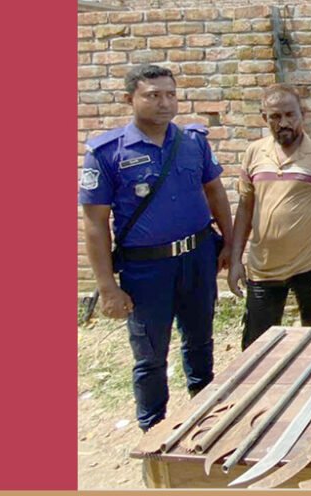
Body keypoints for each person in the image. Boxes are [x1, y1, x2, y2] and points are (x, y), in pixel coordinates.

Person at [79, 64, 232, 431]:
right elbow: (95, 225)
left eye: (170, 94)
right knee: (150, 356)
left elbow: (215, 192)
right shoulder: (108, 153)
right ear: (129, 99)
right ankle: (153, 429)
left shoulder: (193, 142)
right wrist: (107, 287)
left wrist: (229, 244)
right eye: (153, 95)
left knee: (200, 343)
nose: (165, 103)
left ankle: (205, 419)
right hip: (146, 270)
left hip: (197, 258)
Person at [228, 84, 311, 350]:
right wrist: (235, 260)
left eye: (290, 115)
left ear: (302, 115)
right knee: (255, 348)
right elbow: (244, 208)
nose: (283, 122)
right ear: (264, 118)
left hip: (310, 265)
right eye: (275, 116)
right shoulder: (254, 153)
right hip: (263, 267)